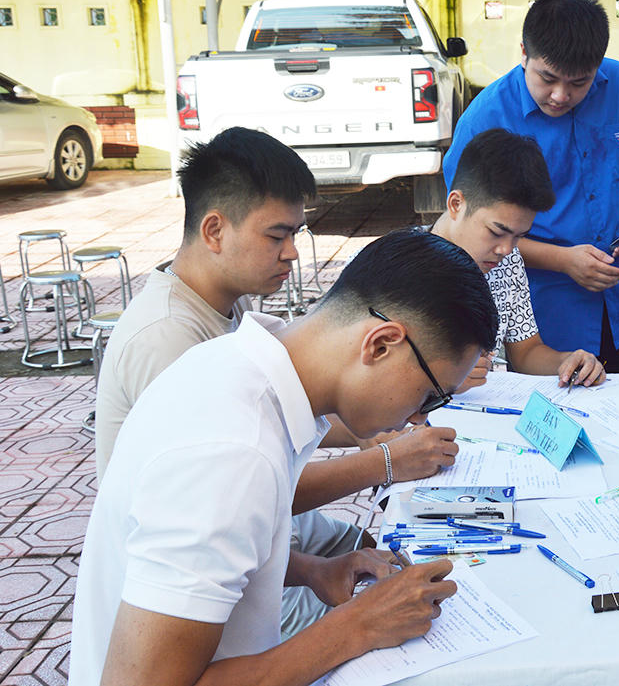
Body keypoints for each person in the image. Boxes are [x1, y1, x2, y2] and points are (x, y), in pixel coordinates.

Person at [70, 228, 498, 686]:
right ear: (380, 344)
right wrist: (360, 625)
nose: (417, 416)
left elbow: (228, 545)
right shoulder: (233, 450)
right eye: (431, 395)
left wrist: (314, 570)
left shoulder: (235, 365)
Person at [92, 127, 460, 637]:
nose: (291, 253)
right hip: (168, 586)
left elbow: (283, 428)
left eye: (296, 235)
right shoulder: (169, 342)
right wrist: (386, 460)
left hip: (235, 536)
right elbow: (247, 489)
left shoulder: (226, 305)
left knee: (368, 553)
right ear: (214, 230)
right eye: (276, 235)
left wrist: (314, 568)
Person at [443, 0, 619, 373]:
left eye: (579, 82)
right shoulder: (485, 121)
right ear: (523, 52)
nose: (561, 95)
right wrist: (562, 260)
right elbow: (469, 232)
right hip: (545, 316)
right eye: (547, 78)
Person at [431, 127, 606, 389]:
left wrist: (568, 362)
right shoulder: (389, 267)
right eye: (496, 232)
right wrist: (434, 377)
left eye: (518, 236)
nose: (505, 249)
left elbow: (526, 352)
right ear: (456, 204)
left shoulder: (508, 263)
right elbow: (355, 374)